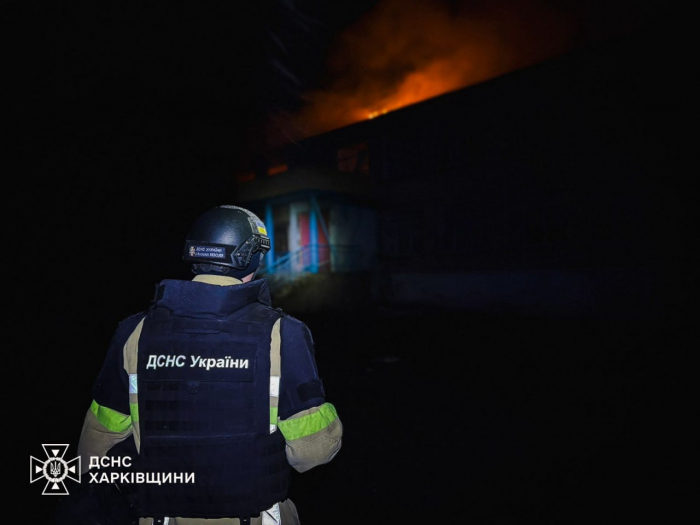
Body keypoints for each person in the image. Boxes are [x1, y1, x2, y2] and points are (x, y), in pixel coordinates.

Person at [76, 205, 343, 525]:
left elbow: (94, 449)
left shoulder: (133, 332)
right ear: (251, 257)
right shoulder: (284, 333)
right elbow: (314, 452)